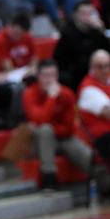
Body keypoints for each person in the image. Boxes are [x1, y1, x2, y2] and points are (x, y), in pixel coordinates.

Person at [23, 59, 91, 190]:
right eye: (46, 76)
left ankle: (103, 182)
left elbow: (69, 128)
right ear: (38, 77)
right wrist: (51, 98)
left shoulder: (67, 94)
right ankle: (48, 178)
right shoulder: (29, 93)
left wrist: (52, 128)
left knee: (89, 157)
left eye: (53, 75)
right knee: (45, 130)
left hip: (63, 138)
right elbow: (39, 120)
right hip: (39, 141)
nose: (50, 80)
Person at [54, 0, 110, 90]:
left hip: (98, 69)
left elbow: (107, 52)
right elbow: (59, 60)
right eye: (83, 13)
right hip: (76, 73)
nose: (87, 16)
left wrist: (102, 32)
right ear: (75, 15)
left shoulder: (97, 31)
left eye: (90, 13)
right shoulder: (67, 33)